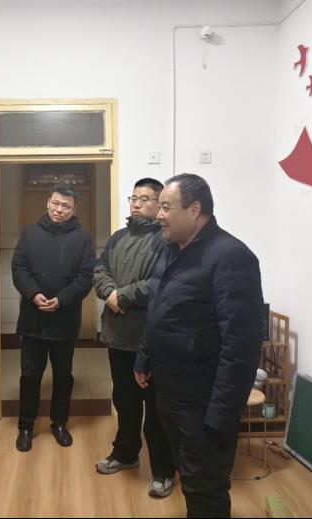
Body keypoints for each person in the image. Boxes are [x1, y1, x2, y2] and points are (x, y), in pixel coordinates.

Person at [134, 173, 263, 518]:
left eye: (166, 207)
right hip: (170, 393)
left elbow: (241, 345)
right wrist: (144, 356)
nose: (158, 215)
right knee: (189, 476)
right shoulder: (171, 248)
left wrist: (221, 413)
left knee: (205, 487)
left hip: (203, 403)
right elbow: (158, 308)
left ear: (194, 210)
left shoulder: (231, 257)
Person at [93, 178, 177, 498]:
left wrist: (121, 297)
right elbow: (100, 270)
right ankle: (125, 454)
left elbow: (159, 283)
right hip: (118, 337)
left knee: (156, 410)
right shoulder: (118, 237)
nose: (137, 204)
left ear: (160, 204)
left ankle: (163, 470)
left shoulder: (166, 240)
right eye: (134, 198)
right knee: (125, 403)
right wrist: (109, 293)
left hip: (150, 341)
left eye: (145, 198)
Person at [12, 183, 96, 452]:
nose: (59, 210)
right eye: (56, 203)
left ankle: (59, 423)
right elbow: (19, 268)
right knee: (30, 375)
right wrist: (34, 294)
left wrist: (61, 300)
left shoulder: (83, 238)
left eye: (66, 206)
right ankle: (26, 426)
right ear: (48, 203)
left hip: (65, 319)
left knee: (63, 375)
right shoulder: (30, 233)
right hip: (33, 318)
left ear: (74, 209)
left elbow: (85, 277)